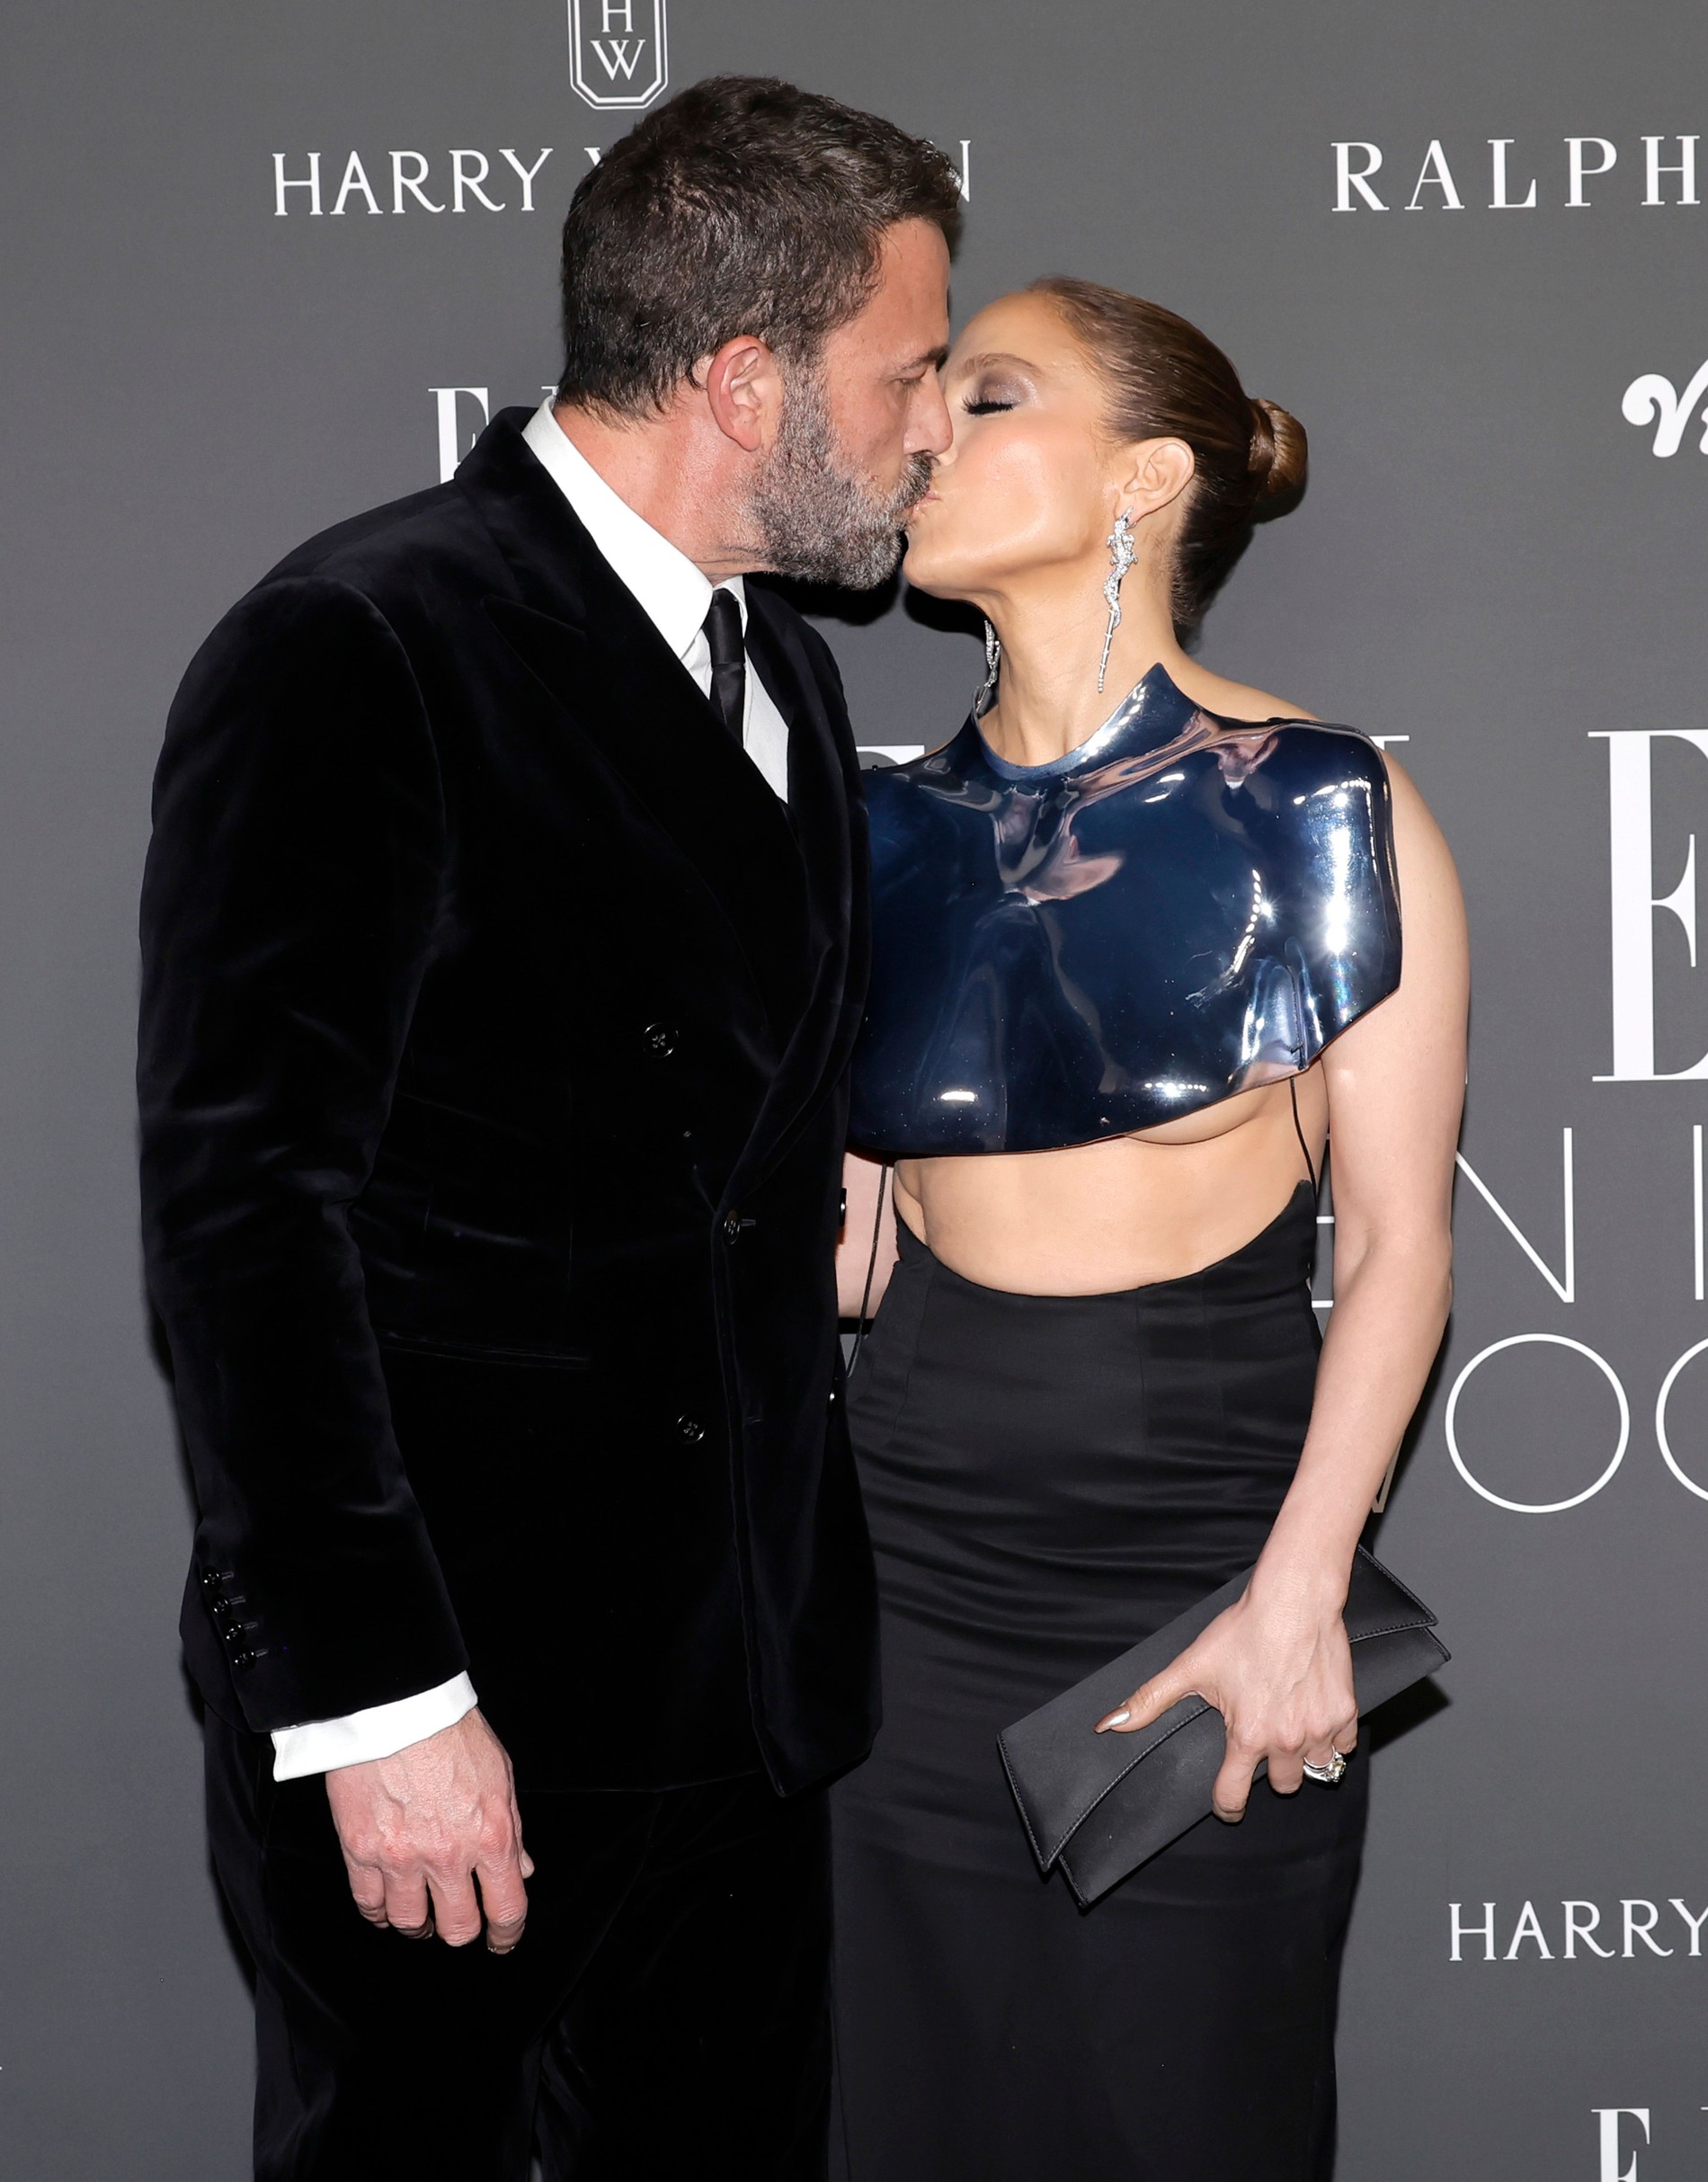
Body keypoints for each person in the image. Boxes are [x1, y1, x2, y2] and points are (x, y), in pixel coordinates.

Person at [138, 76, 958, 2181]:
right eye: (906, 375)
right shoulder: (363, 644)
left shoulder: (781, 668)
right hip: (456, 1683)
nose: (931, 431)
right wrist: (381, 1701)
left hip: (737, 1695)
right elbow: (249, 1216)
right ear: (745, 378)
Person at [830, 279, 1468, 2181]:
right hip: (903, 1598)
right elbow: (844, 1259)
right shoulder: (871, 836)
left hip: (1205, 1593)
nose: (924, 432)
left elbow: (1401, 1248)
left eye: (990, 395)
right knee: (898, 2121)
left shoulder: (1323, 808)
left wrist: (1297, 1602)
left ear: (1146, 478)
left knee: (1186, 2120)